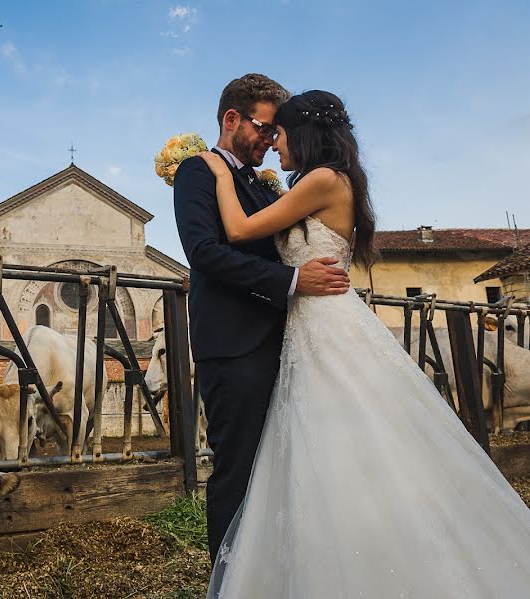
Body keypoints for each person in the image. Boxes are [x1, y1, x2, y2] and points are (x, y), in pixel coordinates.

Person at [198, 89, 530, 597]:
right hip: (311, 325)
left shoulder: (322, 180)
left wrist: (220, 173)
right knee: (334, 446)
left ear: (303, 135)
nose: (275, 145)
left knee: (340, 444)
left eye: (280, 134)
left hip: (324, 327)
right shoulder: (331, 180)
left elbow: (240, 230)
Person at [173, 74, 350, 565]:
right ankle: (229, 580)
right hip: (234, 346)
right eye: (265, 129)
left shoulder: (259, 183)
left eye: (277, 134)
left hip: (281, 341)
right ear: (232, 119)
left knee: (279, 464)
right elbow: (204, 251)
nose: (272, 142)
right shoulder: (198, 172)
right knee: (239, 468)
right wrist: (293, 282)